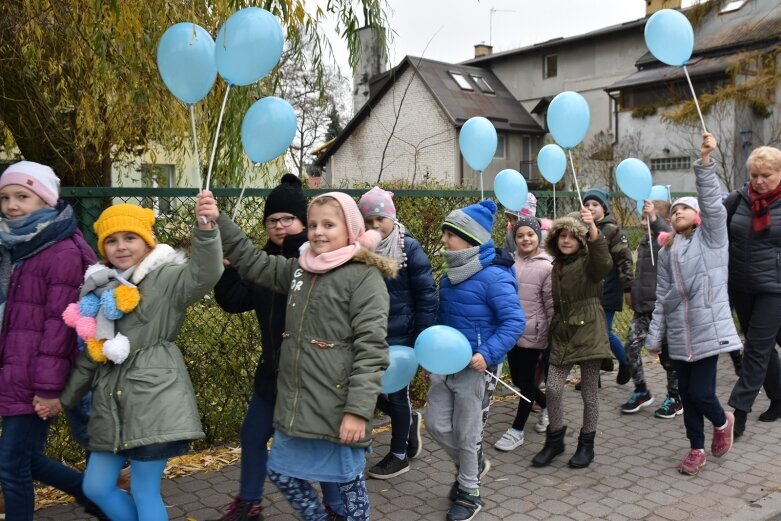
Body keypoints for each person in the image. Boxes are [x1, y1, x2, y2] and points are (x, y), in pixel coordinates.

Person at [207, 191, 394, 521]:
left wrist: (358, 411)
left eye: (328, 224)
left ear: (350, 229)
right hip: (297, 405)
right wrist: (218, 219)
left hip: (337, 407)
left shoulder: (364, 277)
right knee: (280, 471)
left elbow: (372, 351)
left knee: (348, 486)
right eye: (312, 224)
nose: (318, 232)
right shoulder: (299, 270)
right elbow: (252, 261)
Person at [58, 199, 224, 520]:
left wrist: (205, 230)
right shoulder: (100, 288)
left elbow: (206, 273)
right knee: (95, 487)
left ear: (146, 240)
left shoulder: (165, 276)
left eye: (129, 237)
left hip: (154, 397)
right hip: (111, 405)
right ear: (102, 246)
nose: (120, 246)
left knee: (143, 490)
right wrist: (64, 398)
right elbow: (94, 351)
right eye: (111, 240)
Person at [211, 175, 344, 520]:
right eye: (273, 220)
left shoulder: (319, 262)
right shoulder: (262, 263)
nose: (280, 226)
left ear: (303, 222)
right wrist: (227, 270)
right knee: (253, 435)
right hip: (273, 371)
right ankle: (249, 503)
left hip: (312, 378)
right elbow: (235, 300)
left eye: (288, 219)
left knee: (320, 443)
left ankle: (336, 508)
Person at [0, 161, 99, 521]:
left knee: (12, 466)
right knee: (25, 460)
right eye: (5, 197)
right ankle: (97, 498)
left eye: (22, 196)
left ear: (45, 199)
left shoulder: (61, 252)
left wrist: (47, 388)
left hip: (36, 377)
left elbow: (60, 327)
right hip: (17, 370)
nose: (11, 205)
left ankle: (96, 497)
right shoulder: (17, 246)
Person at [647, 132, 741, 476]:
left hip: (708, 328)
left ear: (698, 214)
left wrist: (704, 162)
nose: (677, 212)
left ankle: (721, 420)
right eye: (673, 210)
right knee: (686, 393)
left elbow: (713, 203)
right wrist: (655, 339)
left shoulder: (713, 238)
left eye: (685, 207)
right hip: (678, 332)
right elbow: (662, 297)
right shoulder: (667, 249)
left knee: (701, 392)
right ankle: (696, 449)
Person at [424, 200, 524, 521]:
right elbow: (442, 322)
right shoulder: (449, 276)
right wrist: (431, 358)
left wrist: (487, 354)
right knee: (436, 423)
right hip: (445, 366)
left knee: (468, 434)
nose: (443, 240)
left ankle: (470, 491)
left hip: (476, 368)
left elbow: (514, 322)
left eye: (448, 233)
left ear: (468, 238)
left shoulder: (495, 276)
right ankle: (474, 466)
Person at [359, 187, 437, 480]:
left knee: (395, 394)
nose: (375, 226)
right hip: (371, 334)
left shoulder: (408, 248)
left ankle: (399, 455)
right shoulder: (361, 250)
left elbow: (426, 294)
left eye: (380, 218)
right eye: (368, 222)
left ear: (391, 216)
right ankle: (409, 421)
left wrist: (422, 338)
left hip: (402, 337)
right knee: (375, 394)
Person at [531, 207, 612, 470]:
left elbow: (604, 262)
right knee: (553, 387)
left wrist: (593, 231)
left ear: (580, 240)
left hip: (590, 331)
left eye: (572, 236)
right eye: (562, 235)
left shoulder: (590, 263)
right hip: (563, 332)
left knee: (589, 392)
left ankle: (586, 444)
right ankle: (555, 440)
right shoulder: (556, 265)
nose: (566, 240)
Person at [726, 144, 781, 438]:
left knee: (756, 349)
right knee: (764, 344)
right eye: (754, 175)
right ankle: (779, 397)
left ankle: (739, 412)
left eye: (766, 175)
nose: (759, 181)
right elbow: (711, 225)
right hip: (742, 285)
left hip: (775, 287)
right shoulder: (739, 199)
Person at [494, 215, 553, 452]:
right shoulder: (509, 262)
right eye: (520, 235)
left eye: (530, 234)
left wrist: (551, 333)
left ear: (538, 236)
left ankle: (517, 430)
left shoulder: (547, 265)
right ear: (514, 238)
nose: (525, 239)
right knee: (518, 380)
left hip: (534, 332)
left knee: (527, 381)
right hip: (510, 332)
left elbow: (550, 303)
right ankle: (547, 405)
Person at [621, 200, 683, 418]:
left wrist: (655, 220)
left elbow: (667, 232)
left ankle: (675, 398)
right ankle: (641, 390)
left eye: (645, 218)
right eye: (642, 218)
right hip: (643, 308)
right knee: (631, 347)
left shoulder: (668, 240)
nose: (641, 222)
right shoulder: (645, 241)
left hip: (662, 310)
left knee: (668, 358)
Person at [582, 187, 635, 384]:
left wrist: (628, 288)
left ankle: (625, 361)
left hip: (609, 289)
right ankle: (592, 376)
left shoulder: (612, 230)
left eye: (595, 204)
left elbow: (624, 260)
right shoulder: (583, 229)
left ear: (604, 208)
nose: (591, 208)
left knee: (604, 331)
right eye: (587, 204)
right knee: (589, 333)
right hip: (588, 290)